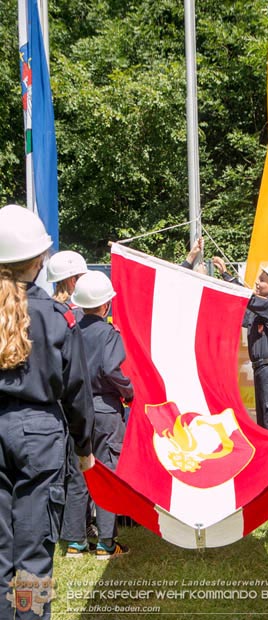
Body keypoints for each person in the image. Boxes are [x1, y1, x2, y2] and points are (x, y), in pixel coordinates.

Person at [0, 204, 94, 620]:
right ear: (39, 261)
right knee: (34, 556)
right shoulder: (56, 316)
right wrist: (84, 445)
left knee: (1, 553)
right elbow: (77, 391)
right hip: (40, 434)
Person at [71, 270, 134, 559]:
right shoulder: (108, 333)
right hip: (106, 411)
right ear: (106, 305)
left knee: (79, 473)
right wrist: (130, 391)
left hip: (76, 409)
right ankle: (107, 544)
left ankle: (76, 541)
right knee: (107, 473)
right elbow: (111, 369)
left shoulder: (70, 329)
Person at [214, 257, 268, 462]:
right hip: (262, 372)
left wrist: (227, 275)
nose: (257, 282)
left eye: (262, 279)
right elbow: (242, 313)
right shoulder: (261, 312)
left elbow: (248, 299)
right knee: (265, 427)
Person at [47, 251, 99, 554]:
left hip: (53, 409)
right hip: (70, 407)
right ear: (72, 280)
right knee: (76, 475)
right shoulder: (70, 317)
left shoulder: (40, 312)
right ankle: (74, 534)